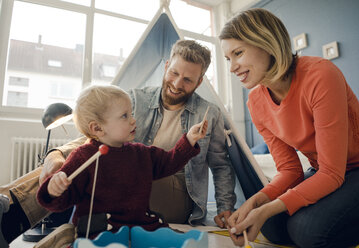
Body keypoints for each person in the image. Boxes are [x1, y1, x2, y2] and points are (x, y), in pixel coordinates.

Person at [0, 39, 236, 245]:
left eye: (187, 80)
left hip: (169, 181)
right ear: (166, 66)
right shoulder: (135, 99)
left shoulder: (208, 112)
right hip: (128, 173)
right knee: (67, 168)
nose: (176, 83)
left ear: (199, 81)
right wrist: (57, 154)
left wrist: (225, 206)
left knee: (93, 171)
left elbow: (220, 164)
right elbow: (97, 139)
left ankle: (24, 212)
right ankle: (10, 209)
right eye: (174, 73)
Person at [219, 8, 359, 248]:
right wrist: (257, 202)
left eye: (238, 53)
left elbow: (332, 173)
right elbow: (291, 171)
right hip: (326, 171)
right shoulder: (255, 102)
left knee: (306, 230)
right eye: (228, 59)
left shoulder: (320, 74)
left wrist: (268, 207)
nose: (232, 68)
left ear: (267, 43)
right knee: (272, 225)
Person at [37, 85, 206, 237]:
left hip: (139, 226)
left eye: (131, 113)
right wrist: (53, 189)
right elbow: (63, 201)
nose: (133, 120)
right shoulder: (83, 156)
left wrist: (189, 140)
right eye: (124, 116)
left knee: (171, 237)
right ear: (97, 128)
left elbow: (169, 162)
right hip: (100, 229)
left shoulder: (140, 152)